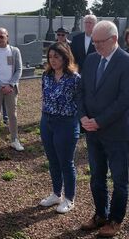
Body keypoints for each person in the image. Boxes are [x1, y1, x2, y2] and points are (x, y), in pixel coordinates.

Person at [78, 21, 129, 237]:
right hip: (93, 131)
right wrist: (83, 116)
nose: (95, 46)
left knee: (120, 179)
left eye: (99, 42)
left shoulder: (128, 63)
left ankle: (115, 220)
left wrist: (100, 121)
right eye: (93, 41)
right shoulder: (92, 59)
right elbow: (82, 90)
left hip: (117, 133)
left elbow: (126, 99)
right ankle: (100, 214)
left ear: (113, 39)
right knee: (96, 177)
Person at [39, 42, 81, 214]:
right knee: (53, 160)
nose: (53, 60)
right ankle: (56, 193)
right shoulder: (46, 76)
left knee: (66, 162)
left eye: (56, 56)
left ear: (65, 57)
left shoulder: (75, 78)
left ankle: (69, 199)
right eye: (50, 57)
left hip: (66, 123)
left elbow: (80, 102)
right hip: (47, 121)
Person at [0, 28, 24, 151]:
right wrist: (1, 85)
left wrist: (11, 84)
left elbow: (19, 69)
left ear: (7, 37)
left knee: (12, 115)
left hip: (11, 88)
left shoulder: (15, 51)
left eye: (2, 37)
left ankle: (14, 140)